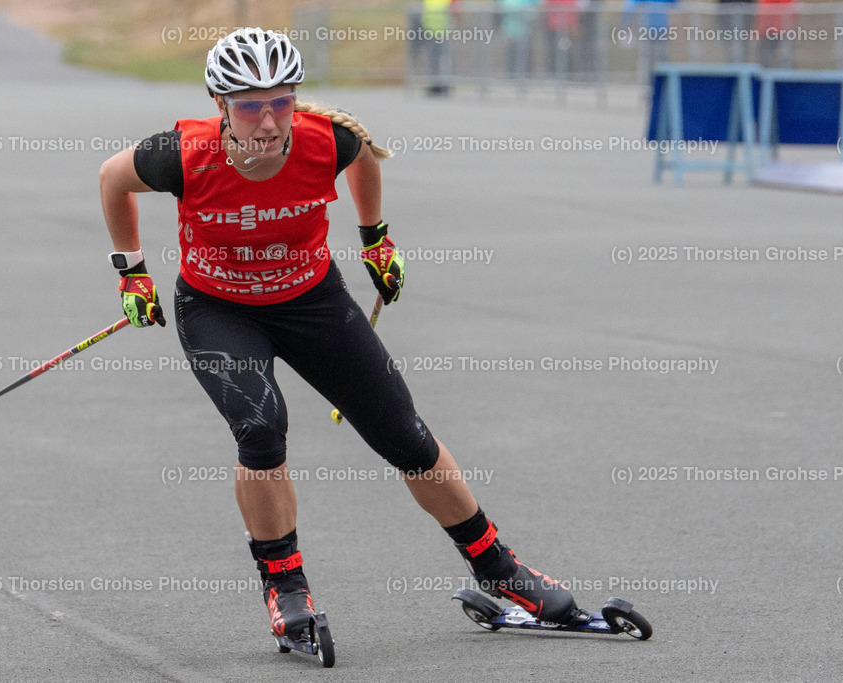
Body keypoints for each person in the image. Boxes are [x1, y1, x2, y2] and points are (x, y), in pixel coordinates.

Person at [98, 28, 578, 646]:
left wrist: (375, 237)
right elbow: (113, 179)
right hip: (219, 307)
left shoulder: (331, 141)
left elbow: (364, 160)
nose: (269, 121)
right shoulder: (179, 155)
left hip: (311, 299)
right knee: (261, 428)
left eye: (281, 101)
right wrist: (131, 272)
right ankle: (285, 586)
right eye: (249, 105)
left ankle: (499, 569)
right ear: (221, 104)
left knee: (402, 432)